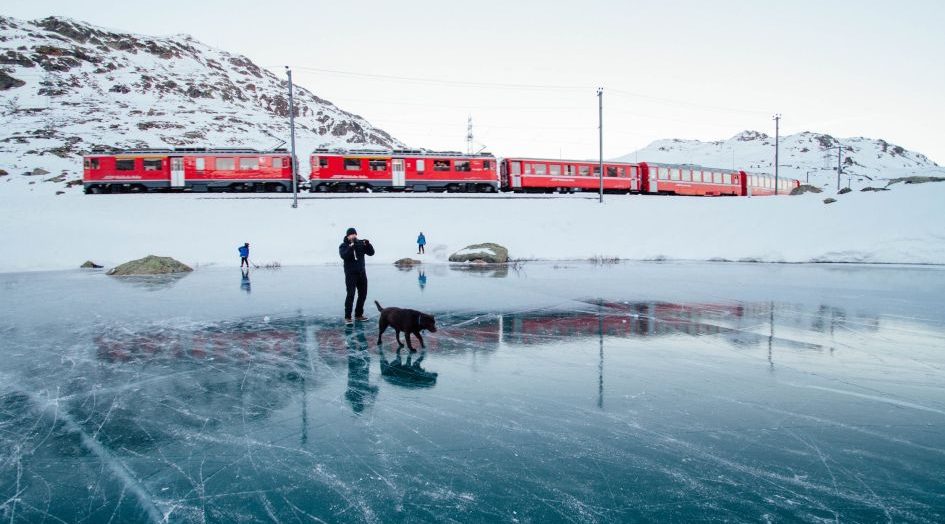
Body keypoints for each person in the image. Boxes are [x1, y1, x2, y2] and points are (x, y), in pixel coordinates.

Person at [339, 227, 375, 324]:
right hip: (351, 274)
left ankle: (358, 315)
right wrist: (351, 247)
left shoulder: (360, 243)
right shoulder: (343, 245)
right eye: (351, 234)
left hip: (361, 273)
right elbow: (344, 256)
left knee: (363, 294)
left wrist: (368, 245)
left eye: (354, 234)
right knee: (350, 294)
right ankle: (347, 317)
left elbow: (371, 253)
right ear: (347, 236)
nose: (353, 236)